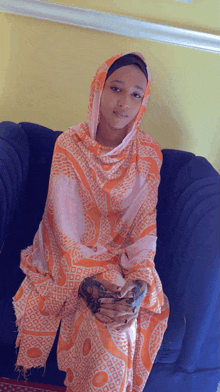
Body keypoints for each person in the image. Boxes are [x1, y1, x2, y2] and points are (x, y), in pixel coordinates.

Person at [13, 52, 170, 392]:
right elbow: (62, 228)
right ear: (98, 89)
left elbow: (145, 230)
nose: (123, 102)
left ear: (144, 101)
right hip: (68, 260)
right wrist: (90, 288)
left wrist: (138, 289)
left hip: (121, 264)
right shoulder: (69, 145)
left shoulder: (147, 154)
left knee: (121, 326)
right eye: (115, 88)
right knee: (100, 318)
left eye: (135, 94)